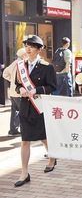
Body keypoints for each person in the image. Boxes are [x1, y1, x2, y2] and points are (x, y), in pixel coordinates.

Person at [14, 35, 57, 187]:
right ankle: (24, 172)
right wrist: (20, 90)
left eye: (32, 46)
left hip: (40, 108)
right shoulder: (21, 66)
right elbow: (17, 84)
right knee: (24, 140)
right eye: (27, 45)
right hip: (25, 108)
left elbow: (52, 86)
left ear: (39, 50)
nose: (28, 48)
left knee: (43, 137)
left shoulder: (47, 67)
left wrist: (36, 90)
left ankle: (52, 157)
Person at [3, 48, 28, 136]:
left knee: (15, 110)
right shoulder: (22, 64)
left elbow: (5, 73)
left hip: (13, 91)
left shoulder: (14, 63)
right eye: (26, 53)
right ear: (23, 55)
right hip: (19, 92)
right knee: (23, 111)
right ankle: (22, 130)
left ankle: (13, 130)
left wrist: (12, 81)